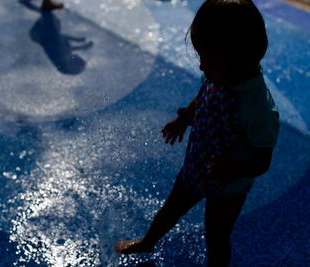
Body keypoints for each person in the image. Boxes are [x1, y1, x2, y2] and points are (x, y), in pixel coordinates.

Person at [114, 0, 280, 266]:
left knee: (216, 236)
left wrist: (232, 169)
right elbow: (203, 93)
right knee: (170, 209)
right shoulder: (218, 76)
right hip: (196, 164)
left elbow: (263, 160)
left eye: (208, 58)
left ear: (238, 58)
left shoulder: (255, 107)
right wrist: (184, 119)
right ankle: (148, 242)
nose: (202, 66)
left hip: (227, 188)